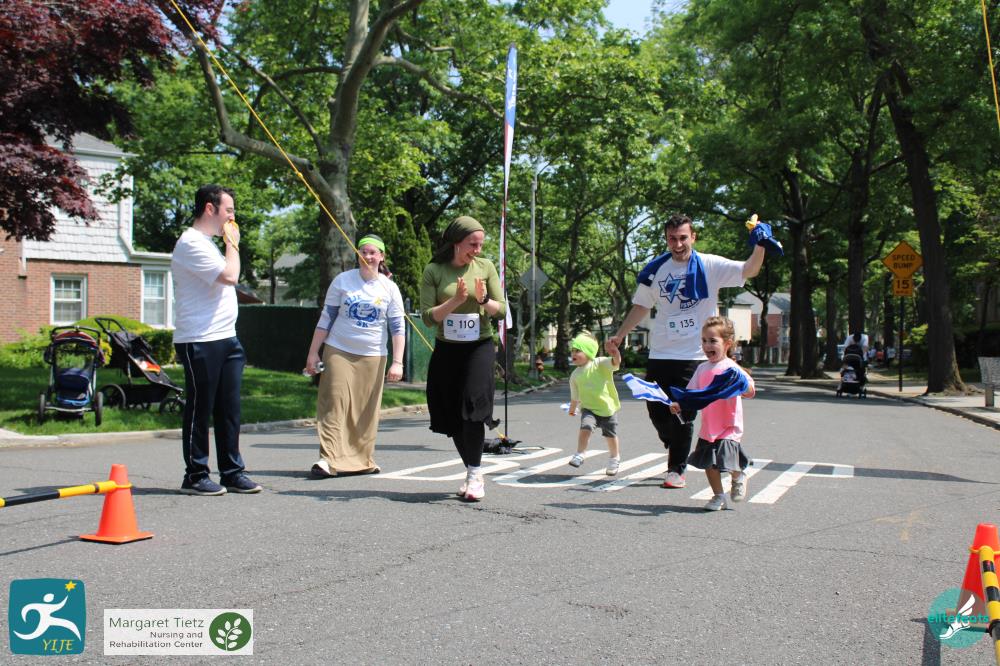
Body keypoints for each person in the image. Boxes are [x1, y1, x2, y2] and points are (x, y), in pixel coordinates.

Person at [608, 212, 770, 490]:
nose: (678, 244)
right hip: (661, 352)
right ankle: (673, 442)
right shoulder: (656, 270)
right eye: (672, 239)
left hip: (695, 355)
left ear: (693, 237)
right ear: (666, 239)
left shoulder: (709, 265)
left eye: (683, 238)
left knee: (683, 412)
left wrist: (760, 244)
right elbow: (641, 306)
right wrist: (620, 335)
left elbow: (749, 270)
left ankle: (676, 469)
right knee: (657, 412)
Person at [171, 184, 261, 495]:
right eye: (229, 211)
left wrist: (227, 243)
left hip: (227, 338)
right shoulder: (190, 243)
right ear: (210, 209)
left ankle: (232, 472)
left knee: (229, 409)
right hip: (199, 339)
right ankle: (195, 475)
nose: (233, 218)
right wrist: (233, 243)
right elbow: (230, 276)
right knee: (200, 408)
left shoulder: (208, 244)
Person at [303, 234, 405, 478]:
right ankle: (328, 459)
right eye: (363, 252)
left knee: (365, 410)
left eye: (372, 252)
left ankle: (362, 460)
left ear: (381, 256)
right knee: (334, 402)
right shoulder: (342, 280)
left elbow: (397, 327)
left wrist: (398, 362)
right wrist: (313, 352)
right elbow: (326, 318)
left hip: (373, 355)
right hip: (338, 350)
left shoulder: (389, 288)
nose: (367, 256)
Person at [420, 216, 506, 502]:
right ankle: (471, 470)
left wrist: (483, 301)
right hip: (447, 348)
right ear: (457, 243)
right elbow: (428, 318)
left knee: (473, 406)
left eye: (480, 245)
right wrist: (456, 300)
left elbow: (501, 310)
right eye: (472, 244)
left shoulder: (486, 267)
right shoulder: (434, 270)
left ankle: (475, 474)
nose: (477, 250)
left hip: (479, 346)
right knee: (453, 413)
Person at [670, 316, 755, 510]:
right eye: (704, 341)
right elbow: (691, 393)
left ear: (727, 344)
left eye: (713, 341)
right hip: (709, 427)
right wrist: (679, 404)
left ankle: (738, 475)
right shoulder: (702, 368)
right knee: (709, 464)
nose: (707, 345)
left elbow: (750, 390)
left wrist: (742, 385)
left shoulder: (732, 369)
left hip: (729, 426)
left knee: (726, 459)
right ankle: (718, 496)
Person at [566, 332, 622, 476]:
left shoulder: (599, 363)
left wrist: (615, 353)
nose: (573, 353)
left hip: (607, 409)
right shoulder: (575, 375)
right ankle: (580, 453)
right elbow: (575, 396)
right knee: (585, 427)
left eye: (578, 350)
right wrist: (572, 409)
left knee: (610, 435)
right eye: (572, 350)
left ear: (589, 352)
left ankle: (614, 458)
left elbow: (615, 363)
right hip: (589, 409)